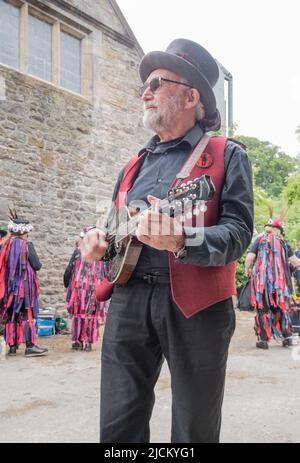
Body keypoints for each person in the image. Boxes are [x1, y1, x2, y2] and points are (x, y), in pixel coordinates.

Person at [81, 38, 253, 443]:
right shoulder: (132, 165)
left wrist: (181, 239)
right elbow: (112, 229)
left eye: (158, 82)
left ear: (192, 96)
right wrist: (96, 244)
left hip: (198, 305)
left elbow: (239, 233)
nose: (146, 92)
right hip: (129, 298)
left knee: (194, 427)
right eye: (146, 85)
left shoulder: (226, 155)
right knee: (118, 424)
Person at [0, 211, 47, 357]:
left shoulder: (5, 246)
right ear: (24, 232)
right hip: (25, 287)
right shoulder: (27, 245)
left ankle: (12, 347)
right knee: (28, 314)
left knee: (12, 314)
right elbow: (37, 265)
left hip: (9, 288)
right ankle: (30, 346)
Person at [245, 218, 296, 349]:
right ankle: (288, 337)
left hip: (262, 284)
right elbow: (295, 261)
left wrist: (247, 269)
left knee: (263, 309)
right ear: (279, 231)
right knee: (281, 307)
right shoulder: (283, 243)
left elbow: (250, 257)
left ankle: (263, 340)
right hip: (280, 286)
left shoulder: (259, 240)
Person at [64, 228, 106, 352]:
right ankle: (88, 342)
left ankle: (78, 342)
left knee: (79, 314)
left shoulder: (78, 253)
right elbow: (105, 272)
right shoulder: (101, 254)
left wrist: (67, 284)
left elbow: (69, 269)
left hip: (79, 290)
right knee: (91, 315)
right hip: (95, 290)